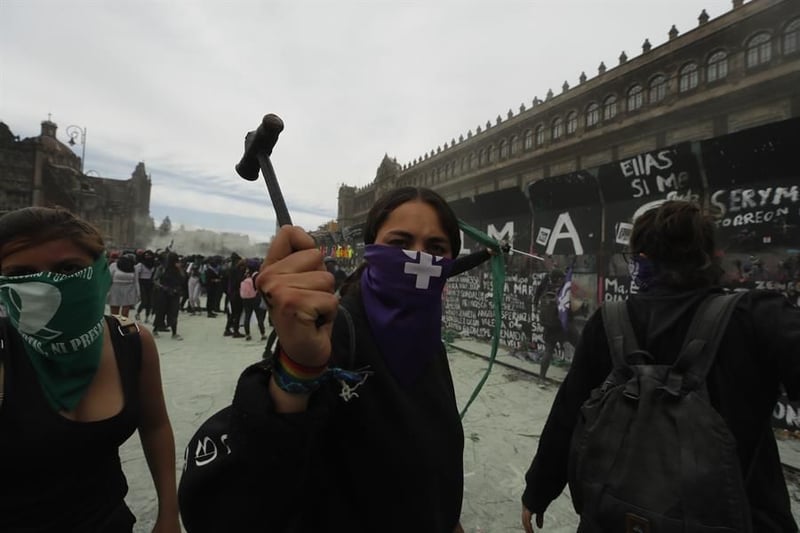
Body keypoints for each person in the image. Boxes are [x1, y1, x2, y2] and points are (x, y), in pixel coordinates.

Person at [178, 187, 466, 533]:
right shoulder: (334, 332)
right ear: (371, 250)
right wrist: (296, 371)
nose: (419, 257)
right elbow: (246, 497)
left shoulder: (427, 339)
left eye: (436, 248)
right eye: (400, 243)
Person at [521, 200, 800, 532]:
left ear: (642, 259)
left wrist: (538, 491)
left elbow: (568, 414)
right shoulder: (757, 317)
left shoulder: (608, 322)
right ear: (710, 255)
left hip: (615, 518)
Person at [0, 206, 180, 532]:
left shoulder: (133, 342)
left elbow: (155, 426)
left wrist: (169, 513)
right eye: (20, 274)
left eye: (68, 268)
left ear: (100, 270)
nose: (46, 285)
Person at [532, 267, 579, 386]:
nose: (564, 279)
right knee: (580, 346)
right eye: (562, 277)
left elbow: (536, 298)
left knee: (548, 351)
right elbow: (572, 309)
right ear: (558, 279)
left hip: (550, 327)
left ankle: (541, 379)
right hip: (564, 326)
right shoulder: (564, 291)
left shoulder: (545, 288)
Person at [152, 252, 185, 340]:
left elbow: (183, 279)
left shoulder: (178, 269)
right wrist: (163, 287)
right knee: (160, 312)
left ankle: (174, 333)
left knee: (173, 312)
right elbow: (155, 280)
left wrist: (180, 269)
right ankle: (155, 329)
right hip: (163, 293)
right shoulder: (162, 268)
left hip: (175, 293)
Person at [108, 252, 139, 318]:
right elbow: (109, 278)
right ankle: (114, 327)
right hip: (115, 289)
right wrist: (106, 290)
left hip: (129, 290)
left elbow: (136, 281)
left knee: (125, 314)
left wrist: (138, 293)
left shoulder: (134, 268)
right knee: (114, 315)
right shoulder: (114, 265)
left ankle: (123, 327)